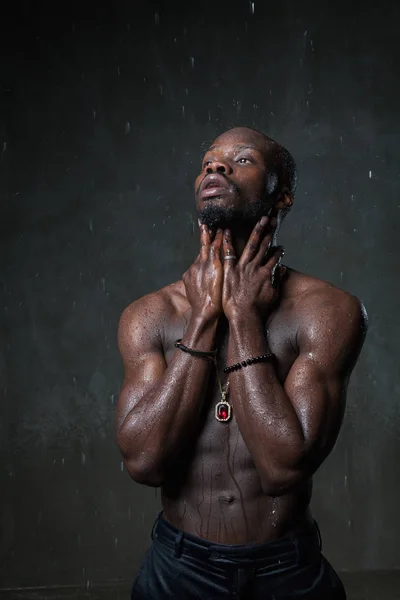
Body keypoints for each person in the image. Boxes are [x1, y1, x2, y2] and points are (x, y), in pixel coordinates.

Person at [116, 127, 367, 599]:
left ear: (283, 197)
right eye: (208, 161)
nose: (216, 166)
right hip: (177, 568)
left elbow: (282, 469)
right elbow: (145, 462)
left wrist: (244, 317)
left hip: (285, 571)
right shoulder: (150, 315)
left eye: (243, 159)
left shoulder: (327, 311)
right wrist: (205, 320)